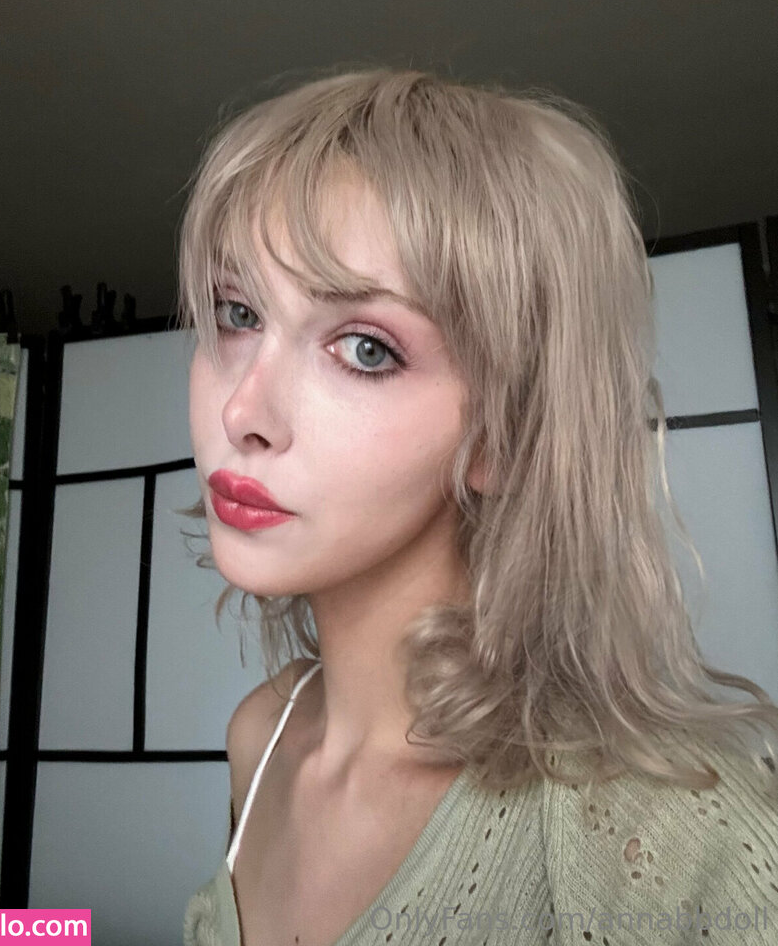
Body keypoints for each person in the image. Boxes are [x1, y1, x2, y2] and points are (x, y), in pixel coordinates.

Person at [177, 66, 778, 946]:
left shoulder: (663, 828)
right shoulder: (260, 737)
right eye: (237, 313)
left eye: (366, 349)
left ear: (502, 433)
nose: (242, 412)